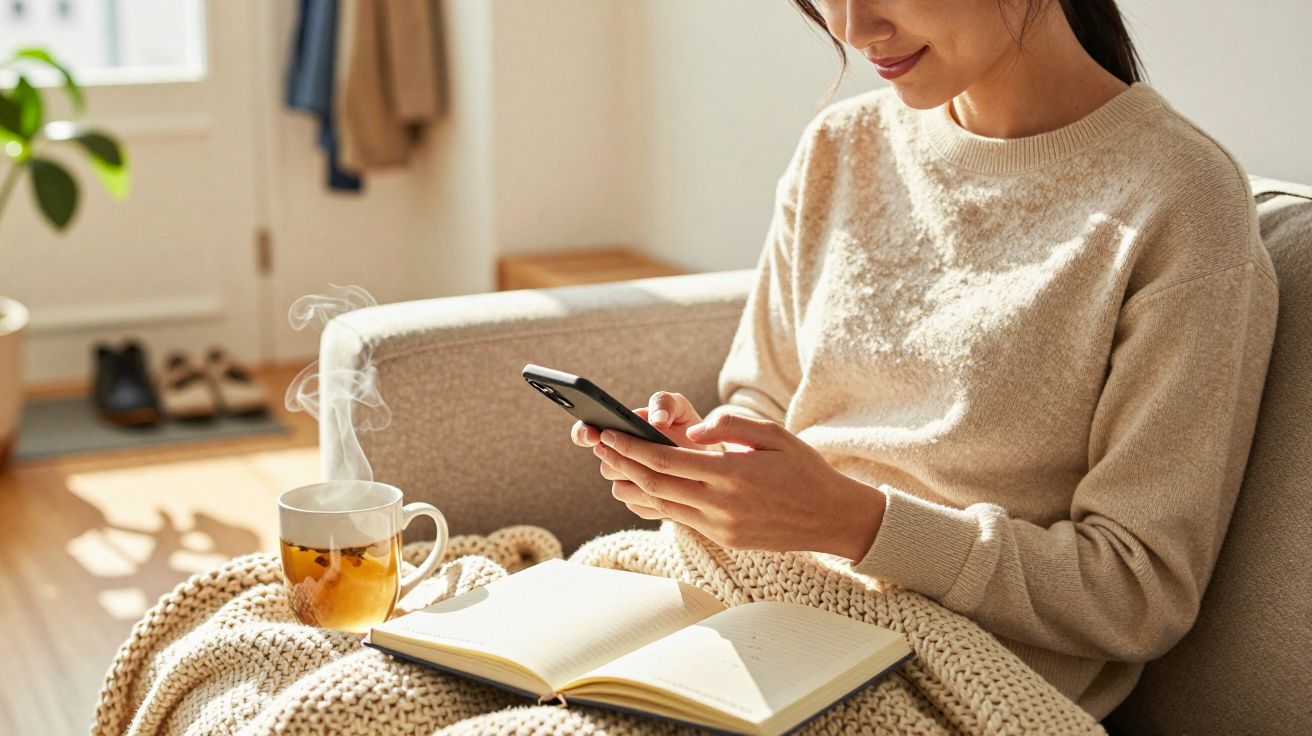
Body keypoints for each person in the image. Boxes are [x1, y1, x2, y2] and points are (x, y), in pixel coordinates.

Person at [571, 0, 1277, 720]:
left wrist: (853, 522)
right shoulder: (840, 147)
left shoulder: (1181, 202)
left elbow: (1136, 591)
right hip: (746, 613)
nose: (852, 28)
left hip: (940, 682)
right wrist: (709, 461)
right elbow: (763, 398)